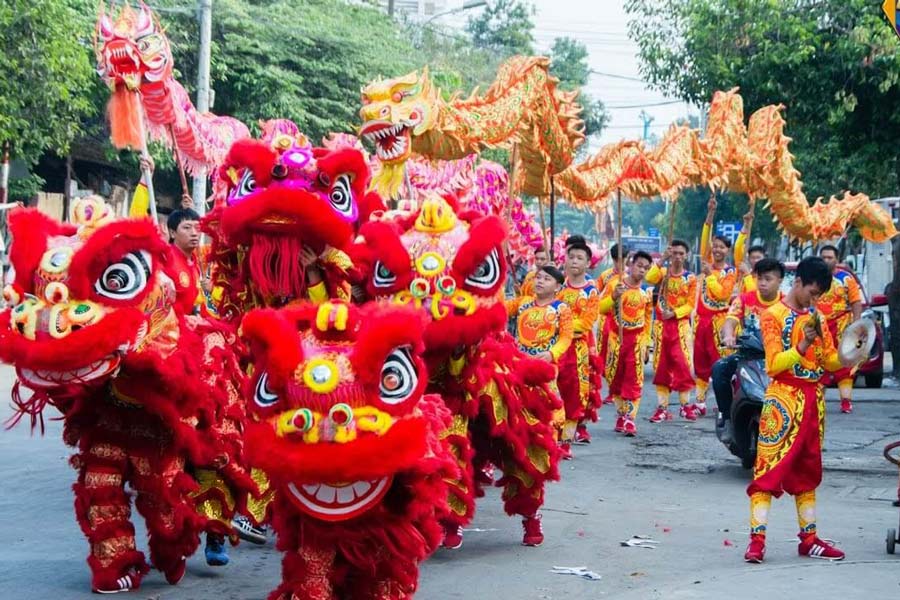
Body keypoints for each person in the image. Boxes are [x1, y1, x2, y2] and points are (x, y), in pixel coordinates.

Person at [744, 256, 858, 563]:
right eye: (812, 292)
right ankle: (757, 540)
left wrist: (852, 354)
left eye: (819, 295)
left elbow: (830, 360)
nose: (815, 299)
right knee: (767, 471)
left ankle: (809, 538)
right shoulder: (773, 315)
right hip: (782, 399)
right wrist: (803, 346)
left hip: (813, 401)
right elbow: (773, 364)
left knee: (808, 472)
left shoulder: (818, 317)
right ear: (798, 283)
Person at [712, 258, 785, 444]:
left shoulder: (786, 303)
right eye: (760, 278)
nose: (763, 283)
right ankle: (727, 418)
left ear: (780, 281)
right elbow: (731, 320)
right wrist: (728, 335)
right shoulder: (744, 299)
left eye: (768, 279)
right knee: (719, 368)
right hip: (748, 356)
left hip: (778, 358)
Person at [506, 265, 573, 453]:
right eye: (538, 277)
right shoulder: (523, 303)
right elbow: (501, 308)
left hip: (546, 365)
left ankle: (551, 442)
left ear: (557, 287)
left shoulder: (561, 309)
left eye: (546, 279)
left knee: (549, 401)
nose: (540, 281)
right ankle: (520, 443)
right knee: (519, 402)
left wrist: (552, 354)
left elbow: (566, 337)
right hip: (520, 363)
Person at [599, 250, 653, 436]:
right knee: (614, 377)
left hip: (636, 340)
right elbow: (600, 308)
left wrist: (646, 343)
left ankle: (630, 418)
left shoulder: (646, 292)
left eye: (646, 268)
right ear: (630, 265)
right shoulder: (616, 284)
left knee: (634, 378)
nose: (642, 270)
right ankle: (621, 413)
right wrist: (613, 297)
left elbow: (647, 320)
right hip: (616, 338)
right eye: (639, 266)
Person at [645, 240, 698, 421]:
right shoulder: (663, 273)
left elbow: (691, 304)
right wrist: (661, 260)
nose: (677, 257)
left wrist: (675, 313)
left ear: (686, 256)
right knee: (661, 366)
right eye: (674, 253)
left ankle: (685, 406)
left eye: (681, 253)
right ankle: (662, 408)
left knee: (683, 364)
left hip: (680, 326)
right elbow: (649, 278)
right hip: (661, 327)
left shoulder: (690, 278)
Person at [556, 236, 601, 450]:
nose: (574, 261)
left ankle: (567, 439)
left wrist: (561, 326)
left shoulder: (591, 291)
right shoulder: (557, 287)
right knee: (553, 389)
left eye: (579, 258)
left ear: (587, 263)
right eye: (571, 256)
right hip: (554, 349)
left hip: (578, 348)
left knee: (576, 390)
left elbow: (586, 322)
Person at [695, 197, 738, 414]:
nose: (717, 250)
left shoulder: (729, 272)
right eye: (715, 247)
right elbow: (705, 238)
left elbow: (722, 294)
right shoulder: (707, 263)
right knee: (700, 362)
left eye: (721, 247)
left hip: (719, 322)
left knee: (719, 363)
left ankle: (724, 404)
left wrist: (710, 276)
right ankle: (700, 402)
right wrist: (710, 214)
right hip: (701, 322)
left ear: (727, 250)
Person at [817, 245, 863, 414]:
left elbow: (856, 302)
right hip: (818, 327)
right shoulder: (814, 278)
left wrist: (857, 325)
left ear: (837, 259)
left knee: (844, 364)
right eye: (823, 257)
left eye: (830, 257)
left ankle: (846, 401)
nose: (826, 260)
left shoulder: (846, 279)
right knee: (817, 363)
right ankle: (817, 401)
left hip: (841, 327)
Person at [596, 244, 628, 404]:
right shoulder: (605, 276)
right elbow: (595, 295)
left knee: (620, 356)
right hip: (606, 321)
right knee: (606, 356)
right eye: (616, 260)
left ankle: (618, 389)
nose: (619, 264)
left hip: (623, 321)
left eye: (622, 260)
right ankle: (608, 388)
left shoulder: (630, 277)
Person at [165, 208, 210, 316]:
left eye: (197, 228)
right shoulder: (164, 257)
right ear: (172, 233)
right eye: (187, 228)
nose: (194, 233)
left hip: (186, 324)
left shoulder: (196, 259)